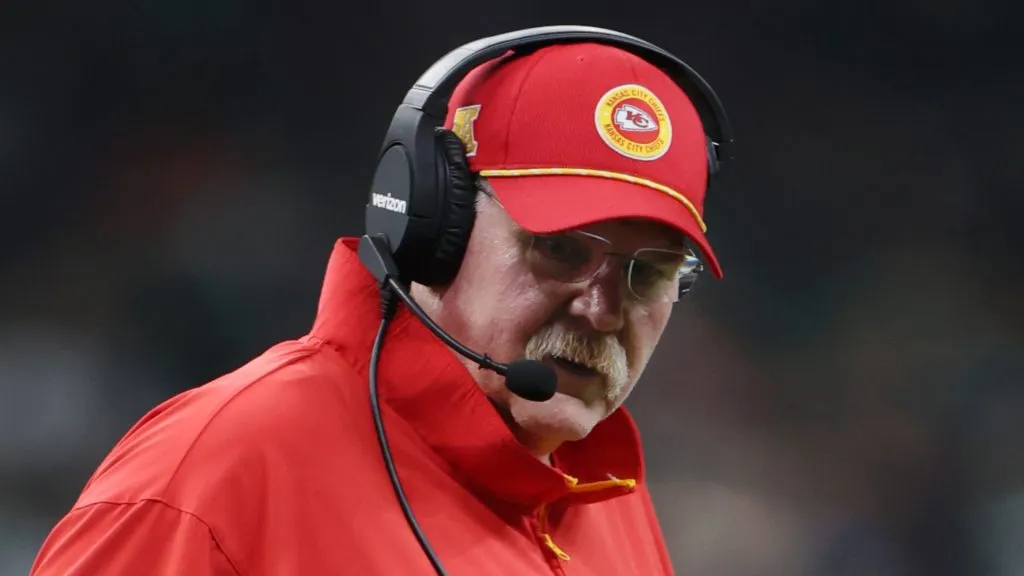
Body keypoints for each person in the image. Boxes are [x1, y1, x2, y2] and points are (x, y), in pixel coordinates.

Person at [31, 30, 729, 576]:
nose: (601, 311)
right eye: (562, 250)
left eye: (647, 274)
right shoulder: (214, 474)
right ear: (434, 227)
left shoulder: (600, 490)